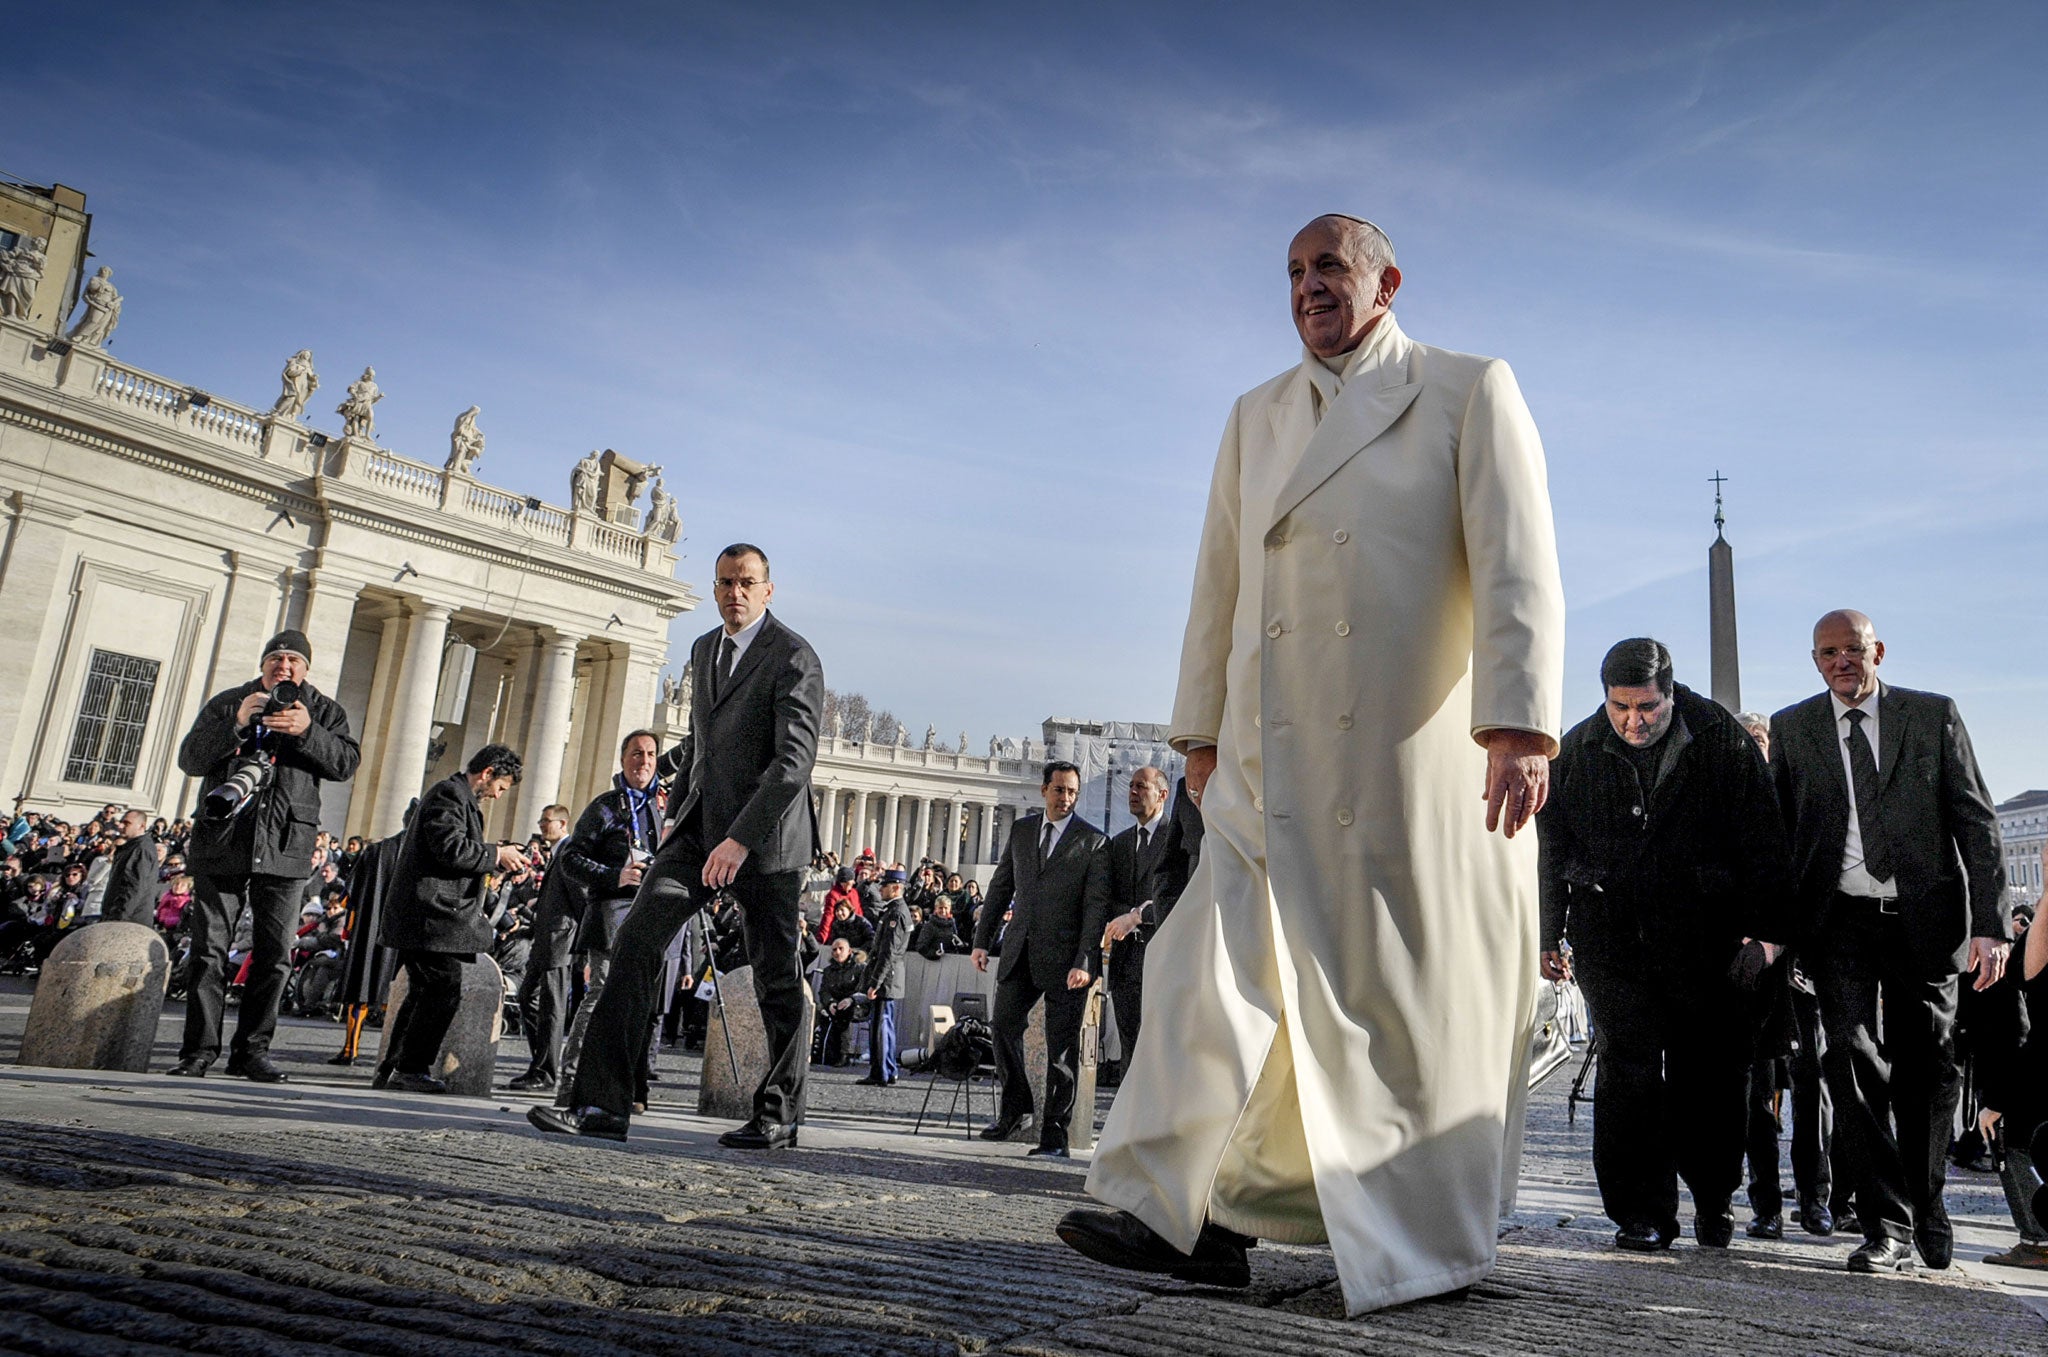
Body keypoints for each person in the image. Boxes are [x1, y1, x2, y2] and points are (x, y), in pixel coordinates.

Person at [1062, 214, 1565, 1310]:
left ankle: (1410, 1229)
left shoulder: (1466, 387)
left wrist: (1519, 722)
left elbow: (1517, 559)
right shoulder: (1253, 414)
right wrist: (1195, 728)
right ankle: (1173, 1211)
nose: (1306, 288)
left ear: (1386, 280)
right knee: (1197, 962)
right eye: (1290, 272)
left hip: (1399, 753)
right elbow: (1217, 582)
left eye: (1327, 267)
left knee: (1388, 998)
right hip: (1259, 748)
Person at [532, 542, 824, 1148]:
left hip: (766, 842)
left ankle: (779, 1112)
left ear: (769, 589)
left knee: (775, 975)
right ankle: (601, 1106)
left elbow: (793, 762)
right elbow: (702, 742)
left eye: (746, 583)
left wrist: (739, 840)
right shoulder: (703, 649)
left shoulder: (794, 656)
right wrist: (675, 807)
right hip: (696, 832)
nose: (734, 594)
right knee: (635, 941)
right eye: (724, 583)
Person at [1771, 609, 2008, 1274]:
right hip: (1838, 918)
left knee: (1928, 1066)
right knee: (1846, 1056)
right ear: (1814, 659)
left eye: (1852, 649)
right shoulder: (1793, 728)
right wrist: (1773, 931)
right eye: (1827, 652)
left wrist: (1990, 924)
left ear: (1877, 650)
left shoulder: (1932, 716)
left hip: (1923, 917)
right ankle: (1887, 1223)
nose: (1840, 661)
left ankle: (1928, 1203)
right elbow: (1777, 835)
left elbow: (1975, 818)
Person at [1536, 639, 1791, 1251]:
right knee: (1629, 1068)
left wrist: (1769, 939)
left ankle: (1712, 1198)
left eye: (1647, 706)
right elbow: (1550, 849)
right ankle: (1640, 1212)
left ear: (1671, 694)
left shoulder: (1722, 740)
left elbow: (1766, 844)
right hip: (1612, 936)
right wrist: (1550, 932)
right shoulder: (1578, 747)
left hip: (1707, 939)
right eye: (1620, 707)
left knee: (1708, 1073)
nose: (1633, 721)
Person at [170, 630, 359, 1082]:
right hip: (223, 839)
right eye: (276, 658)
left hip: (286, 845)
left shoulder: (326, 710)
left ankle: (251, 1052)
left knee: (274, 954)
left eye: (294, 659)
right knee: (208, 952)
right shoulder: (230, 700)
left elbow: (345, 764)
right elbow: (190, 759)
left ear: (307, 669)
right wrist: (235, 724)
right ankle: (198, 1052)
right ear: (264, 664)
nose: (285, 666)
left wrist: (307, 732)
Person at [972, 760, 1111, 1158]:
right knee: (1001, 1027)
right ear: (1043, 790)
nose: (1066, 798)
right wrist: (983, 941)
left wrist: (1086, 960)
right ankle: (1016, 1109)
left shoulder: (1093, 842)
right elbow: (1001, 887)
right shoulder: (1021, 831)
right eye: (1059, 790)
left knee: (1061, 1053)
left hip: (1069, 963)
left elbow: (1095, 908)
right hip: (1019, 953)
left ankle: (1054, 1137)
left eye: (1072, 792)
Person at [374, 745, 528, 1094]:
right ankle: (410, 1068)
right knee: (443, 988)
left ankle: (394, 1067)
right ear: (487, 773)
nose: (497, 796)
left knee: (422, 991)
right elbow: (450, 849)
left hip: (429, 916)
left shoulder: (458, 797)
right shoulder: (449, 794)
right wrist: (495, 854)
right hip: (429, 916)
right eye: (500, 787)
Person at [543, 736, 668, 1104]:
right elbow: (571, 859)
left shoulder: (663, 808)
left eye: (650, 755)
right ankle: (570, 1083)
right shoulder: (604, 807)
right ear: (623, 759)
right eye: (636, 754)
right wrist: (616, 875)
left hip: (651, 920)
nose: (643, 761)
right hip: (611, 917)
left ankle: (624, 1087)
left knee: (640, 1008)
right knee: (598, 998)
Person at [1100, 767, 1179, 1079]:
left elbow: (1178, 896)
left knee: (1160, 1049)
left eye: (1141, 787)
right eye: (1131, 786)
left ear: (1162, 795)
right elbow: (1109, 898)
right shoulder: (1118, 844)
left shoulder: (1178, 840)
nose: (1133, 792)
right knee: (1129, 1045)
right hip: (1125, 964)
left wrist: (1138, 916)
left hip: (1163, 959)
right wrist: (1126, 914)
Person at [508, 800, 579, 1092]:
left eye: (545, 821)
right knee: (528, 997)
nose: (540, 826)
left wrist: (581, 944)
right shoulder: (556, 853)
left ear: (562, 824)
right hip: (545, 938)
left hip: (560, 940)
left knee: (551, 1007)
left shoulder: (570, 851)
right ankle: (540, 1064)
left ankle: (546, 1073)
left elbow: (580, 897)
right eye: (540, 821)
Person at [858, 867, 914, 1086]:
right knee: (883, 1025)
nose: (880, 889)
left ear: (896, 888)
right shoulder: (894, 910)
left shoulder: (896, 913)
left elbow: (888, 952)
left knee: (881, 1027)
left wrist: (875, 982)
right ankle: (886, 1069)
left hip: (887, 978)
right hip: (888, 976)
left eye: (884, 885)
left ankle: (881, 1071)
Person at [99, 809, 162, 925]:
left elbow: (133, 886)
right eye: (121, 822)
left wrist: (117, 919)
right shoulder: (132, 847)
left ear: (141, 826)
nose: (121, 826)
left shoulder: (141, 848)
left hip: (130, 921)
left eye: (127, 823)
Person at [815, 936, 865, 1066]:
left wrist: (851, 999)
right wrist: (830, 1003)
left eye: (841, 949)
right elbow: (824, 991)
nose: (837, 952)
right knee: (821, 1011)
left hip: (856, 1003)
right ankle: (823, 1051)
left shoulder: (860, 968)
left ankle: (844, 1054)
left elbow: (864, 989)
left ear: (849, 951)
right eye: (834, 950)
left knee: (844, 1013)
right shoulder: (828, 971)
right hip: (836, 1003)